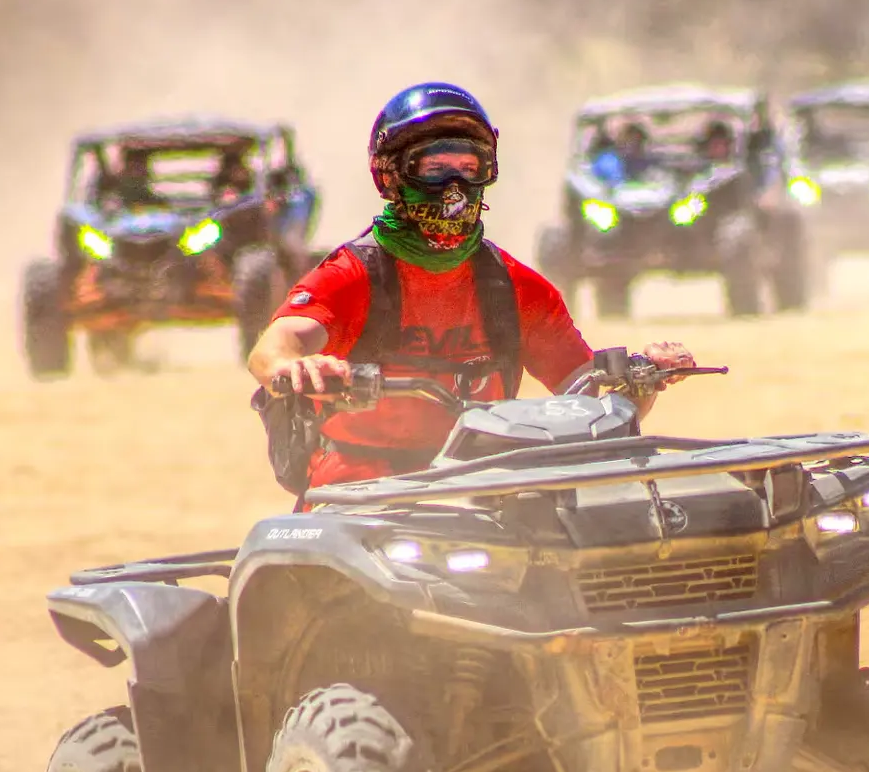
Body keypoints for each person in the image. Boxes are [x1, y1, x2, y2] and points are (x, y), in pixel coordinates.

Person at [246, 82, 696, 490]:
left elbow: (588, 406)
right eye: (436, 168)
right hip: (358, 496)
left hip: (482, 493)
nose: (455, 187)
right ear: (391, 176)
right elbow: (273, 348)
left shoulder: (517, 287)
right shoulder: (352, 275)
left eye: (469, 166)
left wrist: (643, 383)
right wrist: (296, 369)